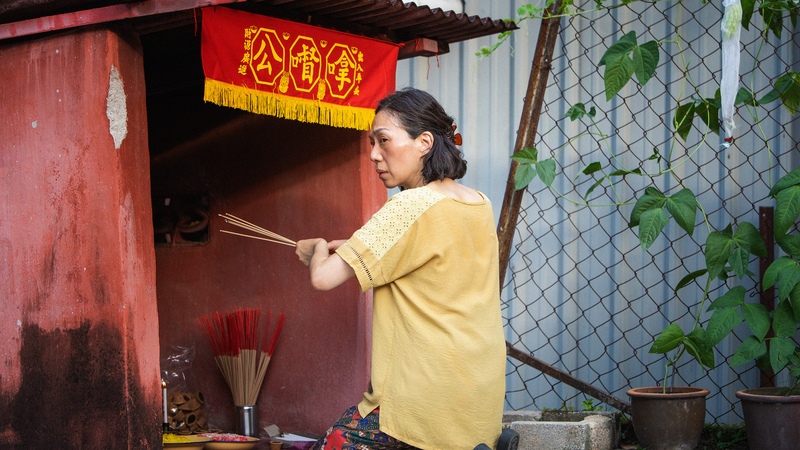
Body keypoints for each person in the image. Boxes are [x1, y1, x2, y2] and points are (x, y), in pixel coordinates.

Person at [295, 88, 506, 450]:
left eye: (384, 141)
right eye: (371, 144)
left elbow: (322, 277)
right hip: (477, 395)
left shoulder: (408, 206)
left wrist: (315, 249)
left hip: (421, 401)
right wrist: (353, 247)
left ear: (424, 141)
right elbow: (430, 258)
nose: (375, 155)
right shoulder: (478, 202)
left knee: (336, 441)